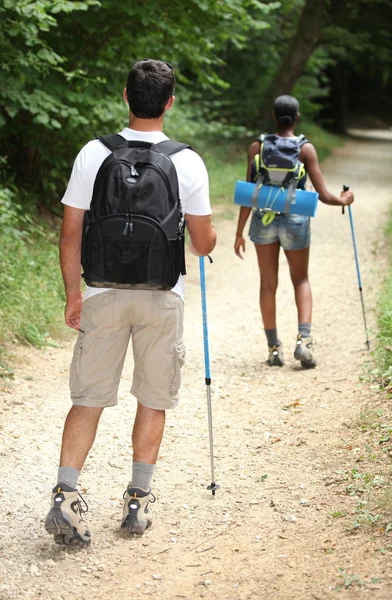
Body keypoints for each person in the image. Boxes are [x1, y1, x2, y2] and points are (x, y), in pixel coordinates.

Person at [45, 59, 216, 546]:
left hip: (101, 292)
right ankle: (137, 501)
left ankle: (66, 493)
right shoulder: (187, 162)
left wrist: (74, 293)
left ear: (125, 96)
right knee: (153, 397)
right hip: (162, 297)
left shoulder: (93, 154)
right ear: (169, 102)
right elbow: (203, 245)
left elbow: (70, 231)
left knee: (88, 398)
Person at [234, 94, 354, 368]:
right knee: (300, 280)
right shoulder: (305, 149)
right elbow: (323, 195)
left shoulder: (257, 147)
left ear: (274, 116)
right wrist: (343, 200)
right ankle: (304, 342)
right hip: (296, 220)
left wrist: (239, 231)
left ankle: (274, 349)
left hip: (263, 218)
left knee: (267, 284)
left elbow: (251, 191)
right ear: (297, 118)